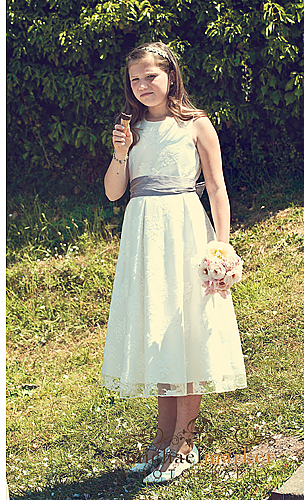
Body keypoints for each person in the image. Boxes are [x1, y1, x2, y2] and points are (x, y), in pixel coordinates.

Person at [101, 42, 246, 484]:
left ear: (171, 77)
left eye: (151, 76)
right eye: (135, 80)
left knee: (187, 331)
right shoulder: (132, 128)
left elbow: (217, 188)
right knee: (159, 330)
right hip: (144, 233)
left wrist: (220, 247)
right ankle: (163, 440)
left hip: (184, 230)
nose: (143, 86)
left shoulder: (196, 124)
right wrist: (121, 151)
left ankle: (184, 441)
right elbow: (112, 192)